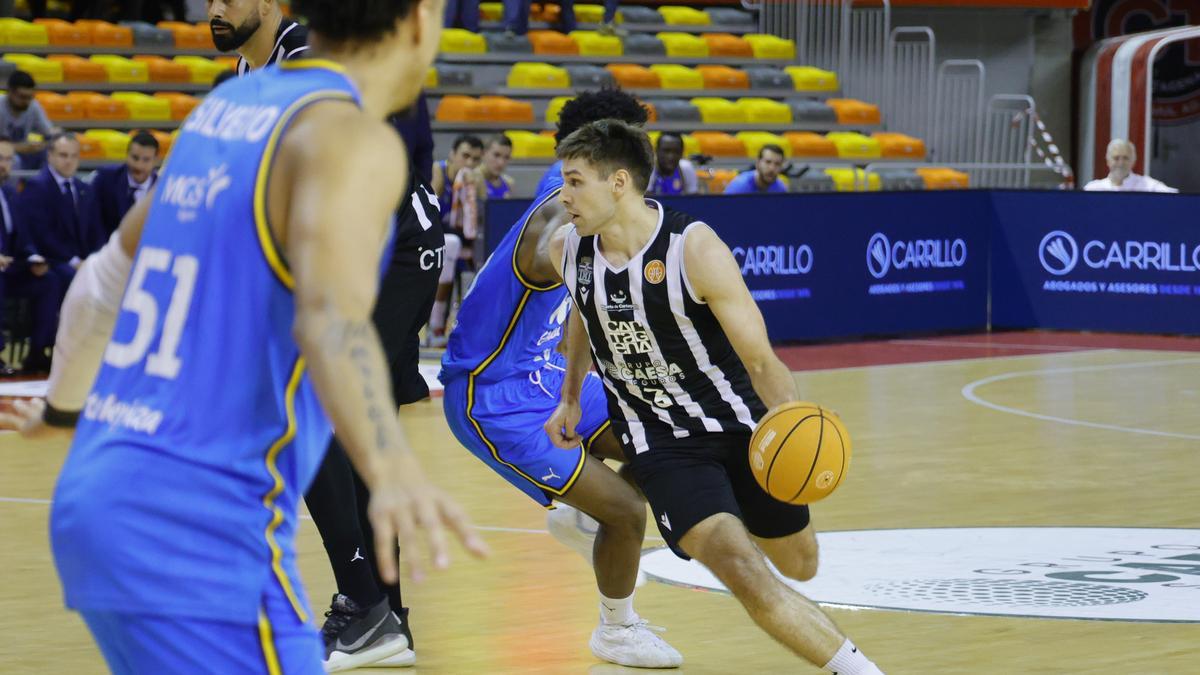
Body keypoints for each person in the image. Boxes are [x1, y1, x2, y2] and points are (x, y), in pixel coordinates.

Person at [0, 2, 489, 674]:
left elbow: (103, 277)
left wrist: (62, 405)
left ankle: (378, 611)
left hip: (94, 496)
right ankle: (369, 601)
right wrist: (392, 459)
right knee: (316, 413)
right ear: (420, 25)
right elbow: (322, 322)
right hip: (197, 534)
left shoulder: (222, 113)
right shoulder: (342, 136)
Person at [546, 119, 884, 675]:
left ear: (619, 183)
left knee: (800, 565)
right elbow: (584, 316)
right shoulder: (570, 249)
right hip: (662, 444)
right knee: (741, 567)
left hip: (739, 426)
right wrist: (570, 399)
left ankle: (658, 497)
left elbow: (760, 360)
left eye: (575, 182)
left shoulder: (693, 248)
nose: (564, 196)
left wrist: (788, 422)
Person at [439, 90, 682, 669]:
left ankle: (577, 515)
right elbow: (578, 265)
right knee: (626, 512)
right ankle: (616, 630)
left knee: (672, 439)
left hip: (548, 374)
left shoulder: (592, 205)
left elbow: (581, 301)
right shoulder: (559, 217)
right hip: (495, 397)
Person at [15, 132, 104, 373]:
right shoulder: (37, 186)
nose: (69, 161)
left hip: (80, 261)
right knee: (69, 279)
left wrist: (96, 259)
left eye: (74, 156)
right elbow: (41, 233)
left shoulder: (83, 188)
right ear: (50, 156)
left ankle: (91, 350)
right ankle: (48, 347)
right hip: (52, 259)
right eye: (63, 155)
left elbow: (95, 230)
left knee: (104, 280)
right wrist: (75, 261)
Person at [0, 134, 58, 376]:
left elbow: (22, 238)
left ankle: (38, 351)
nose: (5, 165)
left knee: (49, 280)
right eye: (0, 158)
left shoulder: (11, 193)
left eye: (9, 159)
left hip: (11, 268)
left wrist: (34, 257)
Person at [425, 134, 482, 347]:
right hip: (429, 239)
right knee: (450, 244)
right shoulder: (437, 171)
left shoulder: (476, 181)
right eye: (465, 156)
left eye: (475, 160)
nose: (469, 163)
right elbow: (428, 209)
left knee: (468, 252)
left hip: (462, 243)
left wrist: (477, 191)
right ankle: (435, 325)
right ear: (452, 154)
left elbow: (480, 226)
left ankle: (467, 330)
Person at [208, 0, 311, 75]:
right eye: (210, 1)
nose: (214, 11)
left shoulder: (301, 52)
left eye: (228, 1)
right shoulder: (244, 65)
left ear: (266, 2)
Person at [90, 131, 159, 238]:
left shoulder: (163, 189)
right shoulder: (105, 179)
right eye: (135, 158)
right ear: (127, 155)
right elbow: (92, 221)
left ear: (155, 161)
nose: (139, 165)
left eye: (146, 160)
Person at [0, 70, 59, 170]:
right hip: (3, 154)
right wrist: (19, 148)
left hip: (24, 153)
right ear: (10, 92)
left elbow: (49, 131)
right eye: (22, 97)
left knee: (50, 154)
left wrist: (57, 136)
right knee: (14, 160)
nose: (26, 102)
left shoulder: (33, 106)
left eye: (30, 97)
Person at [1083, 139, 1177, 193]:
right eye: (1116, 158)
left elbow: (1174, 198)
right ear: (1108, 161)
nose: (1121, 163)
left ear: (1133, 161)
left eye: (1125, 158)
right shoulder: (1093, 188)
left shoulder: (1148, 186)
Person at [723, 144, 788, 194]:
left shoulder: (780, 189)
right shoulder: (739, 187)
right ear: (758, 163)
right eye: (768, 162)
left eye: (777, 164)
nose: (772, 168)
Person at [479, 134, 515, 200]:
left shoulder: (509, 183)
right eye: (496, 155)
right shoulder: (472, 180)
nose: (501, 162)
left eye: (506, 157)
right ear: (483, 153)